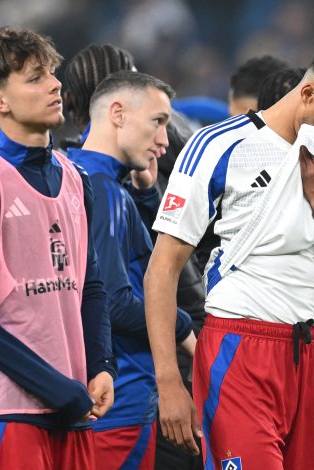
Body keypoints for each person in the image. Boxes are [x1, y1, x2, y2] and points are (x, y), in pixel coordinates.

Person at [145, 45, 314, 469]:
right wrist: (168, 382)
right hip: (240, 351)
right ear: (308, 93)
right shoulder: (220, 145)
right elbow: (162, 268)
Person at [0, 27, 115, 469]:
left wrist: (102, 363)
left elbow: (91, 284)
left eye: (52, 73)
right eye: (34, 77)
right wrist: (52, 386)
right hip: (6, 412)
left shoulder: (76, 179)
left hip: (74, 410)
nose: (54, 84)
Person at [67, 70, 197, 470]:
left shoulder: (76, 173)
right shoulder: (104, 190)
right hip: (120, 401)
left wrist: (143, 196)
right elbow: (112, 301)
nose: (163, 140)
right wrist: (183, 327)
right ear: (118, 114)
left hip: (95, 397)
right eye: (157, 122)